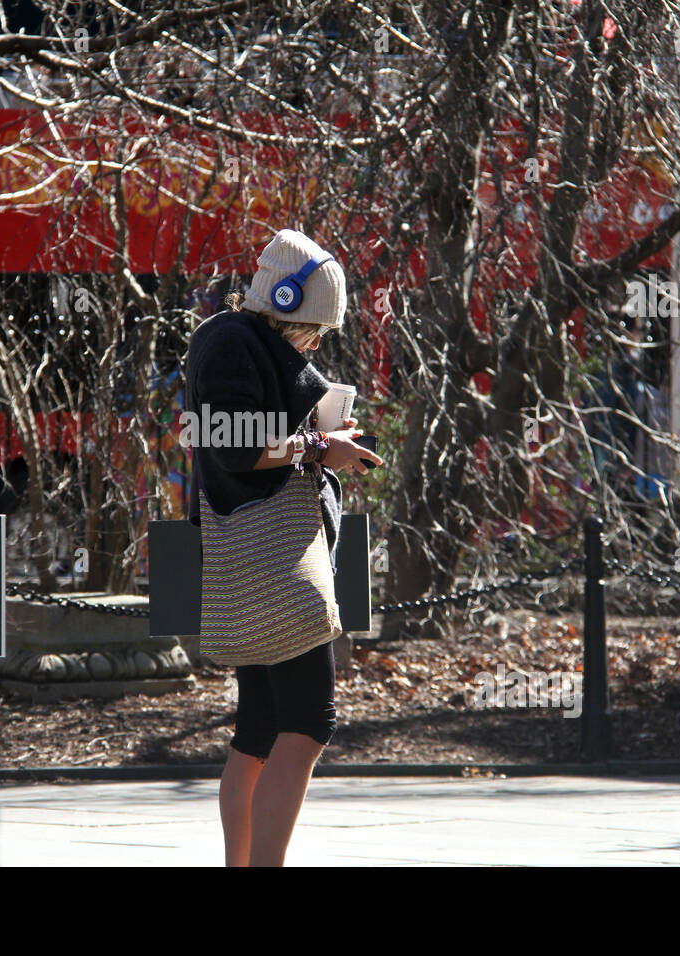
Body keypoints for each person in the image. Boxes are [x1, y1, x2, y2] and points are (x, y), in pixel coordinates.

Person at [183, 229, 384, 866]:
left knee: (260, 729)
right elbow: (235, 448)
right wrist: (323, 448)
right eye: (315, 327)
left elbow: (242, 436)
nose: (318, 341)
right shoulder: (231, 344)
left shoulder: (239, 342)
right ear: (287, 303)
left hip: (256, 557)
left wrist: (322, 433)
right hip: (269, 559)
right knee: (309, 721)